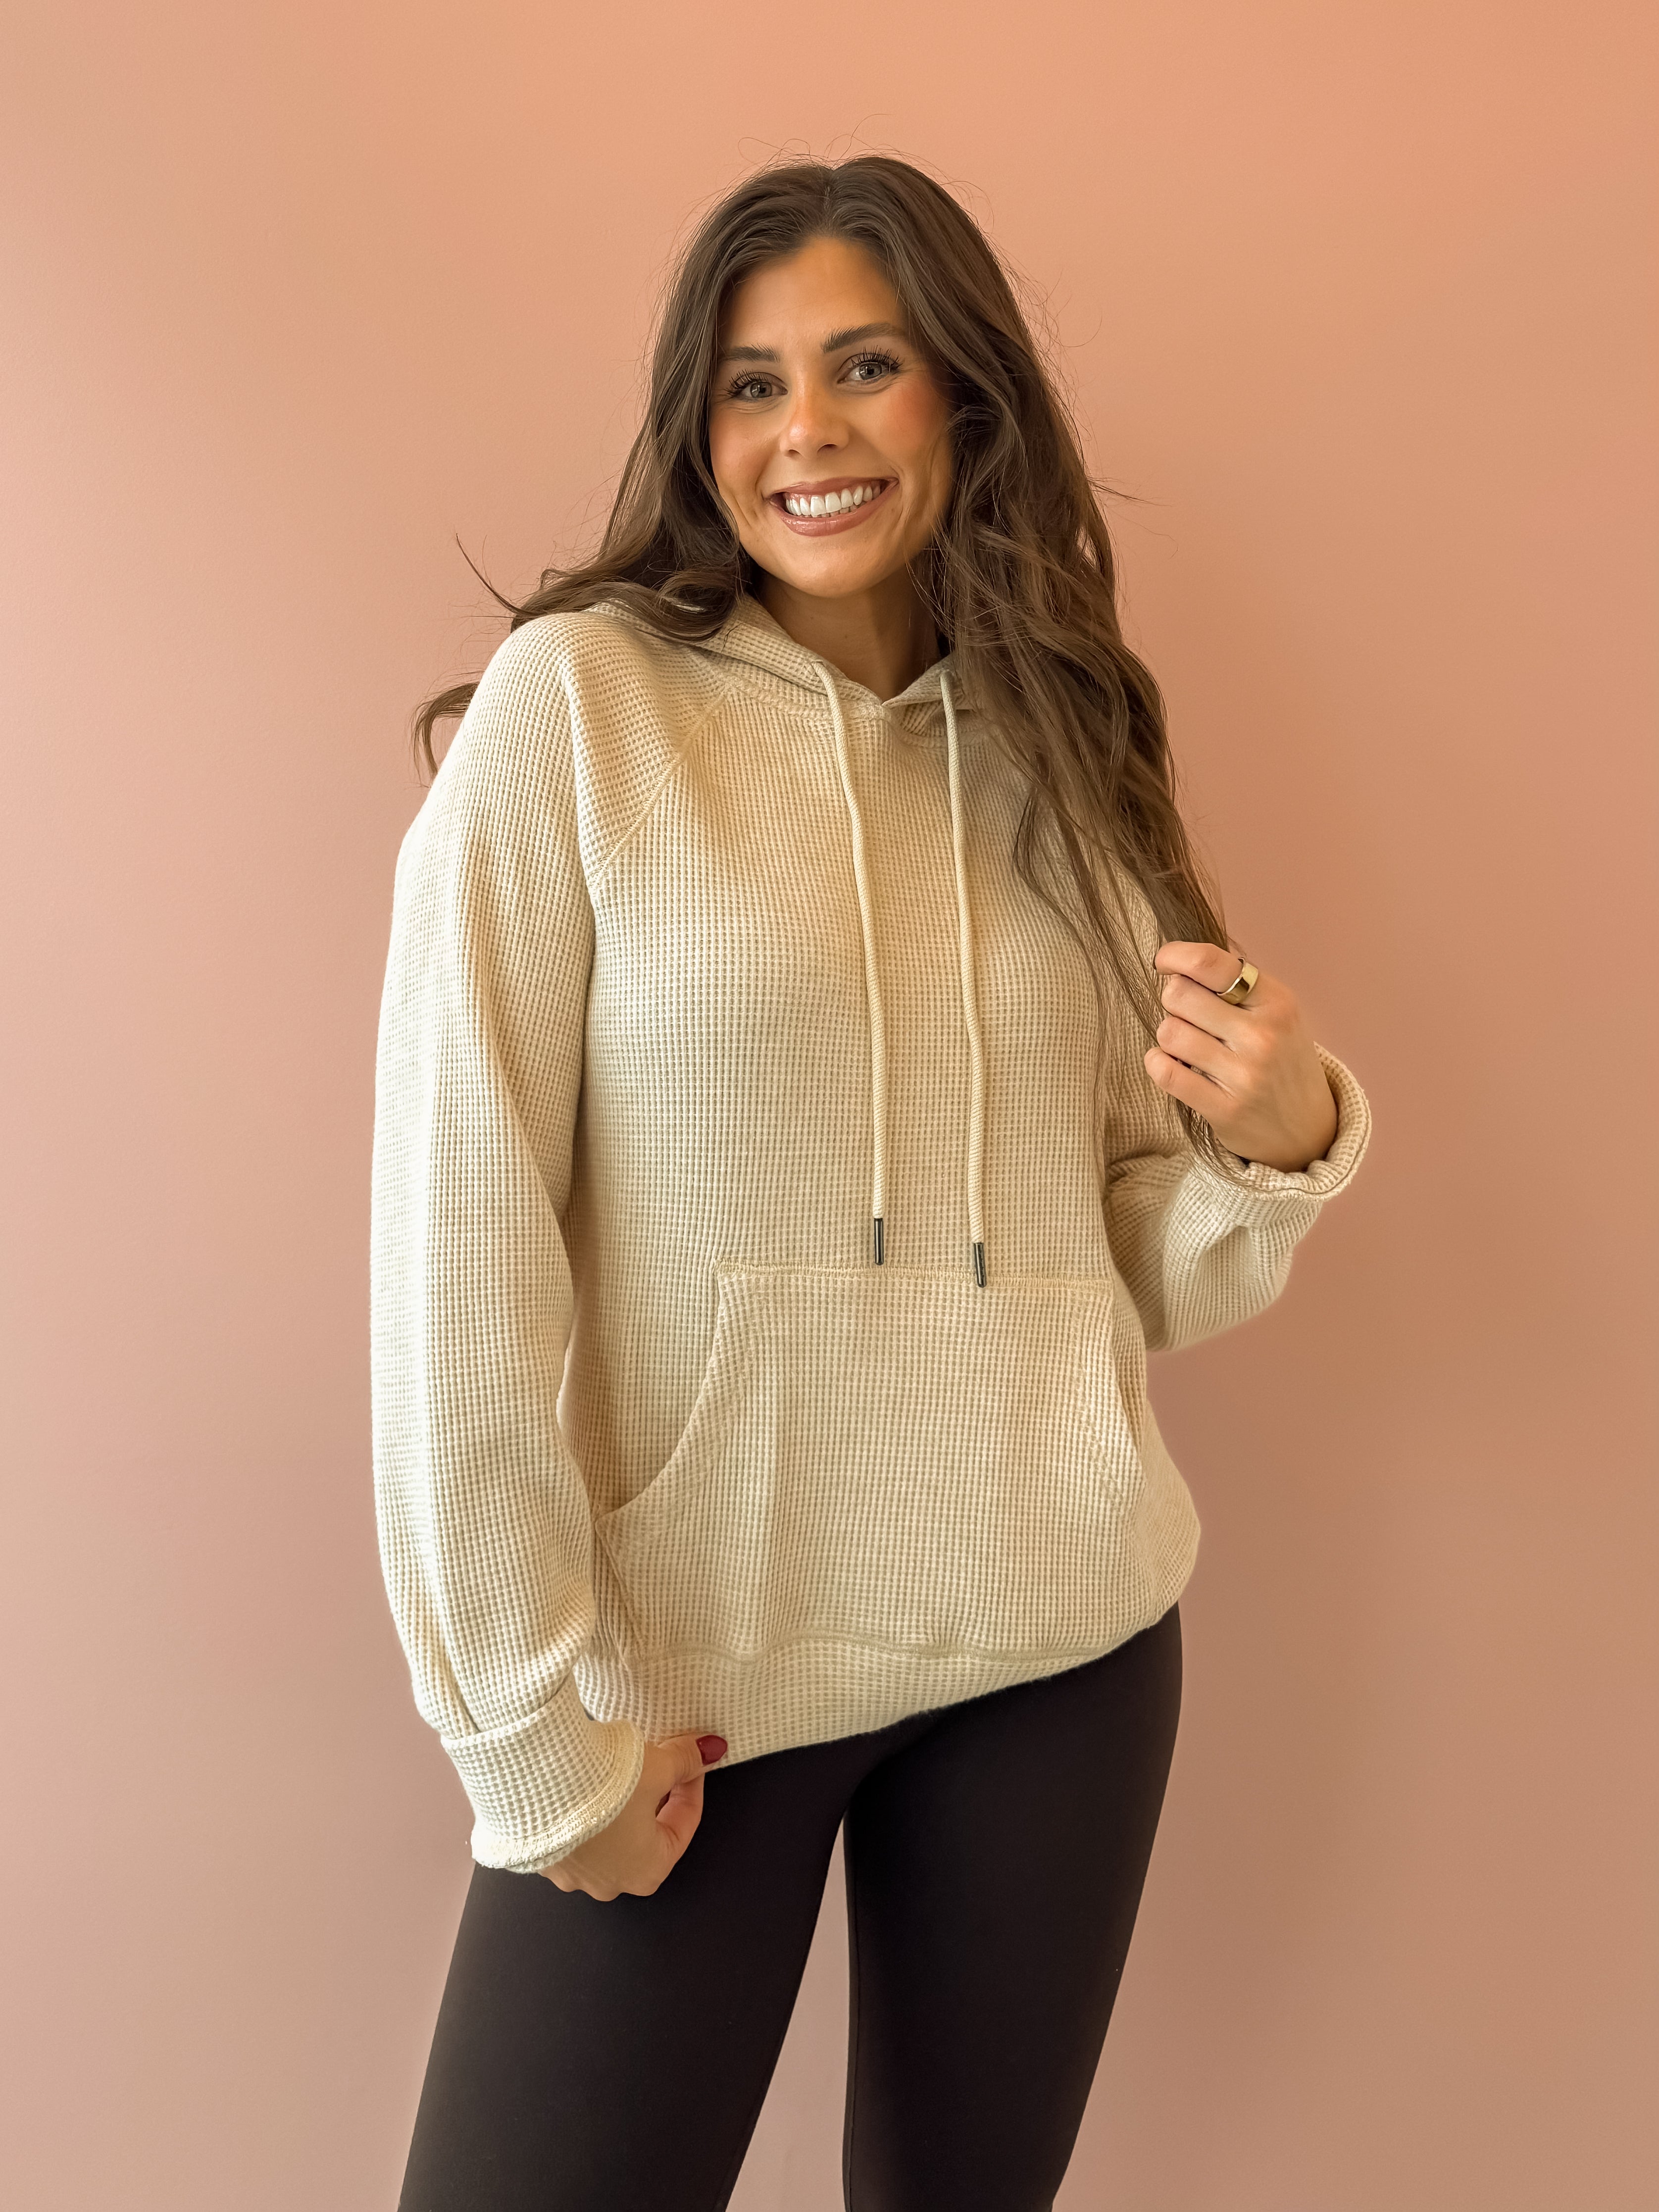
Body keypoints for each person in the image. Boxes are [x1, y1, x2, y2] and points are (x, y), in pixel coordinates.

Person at [372, 155, 1370, 2212]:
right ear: (699, 428)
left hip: (1061, 1642)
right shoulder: (581, 713)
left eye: (864, 366)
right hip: (693, 1677)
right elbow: (454, 1262)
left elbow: (1116, 1262)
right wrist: (529, 1728)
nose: (804, 431)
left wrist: (1275, 1143)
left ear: (962, 399)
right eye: (751, 385)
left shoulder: (1063, 744)